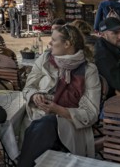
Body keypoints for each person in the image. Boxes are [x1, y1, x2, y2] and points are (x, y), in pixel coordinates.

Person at [17, 24, 101, 167]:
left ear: (67, 44)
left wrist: (58, 110)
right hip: (37, 115)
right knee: (40, 126)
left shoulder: (88, 70)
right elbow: (28, 88)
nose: (49, 43)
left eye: (54, 40)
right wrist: (34, 95)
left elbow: (91, 113)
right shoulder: (45, 59)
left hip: (69, 123)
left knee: (46, 125)